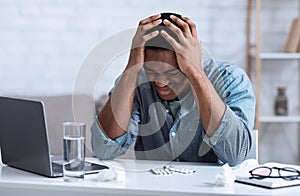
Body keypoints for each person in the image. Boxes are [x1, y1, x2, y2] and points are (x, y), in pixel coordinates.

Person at [91, 13, 255, 166]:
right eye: (152, 71)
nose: (161, 83)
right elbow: (104, 150)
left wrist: (195, 73)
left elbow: (235, 154)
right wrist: (132, 68)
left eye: (172, 73)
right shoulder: (134, 80)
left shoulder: (231, 79)